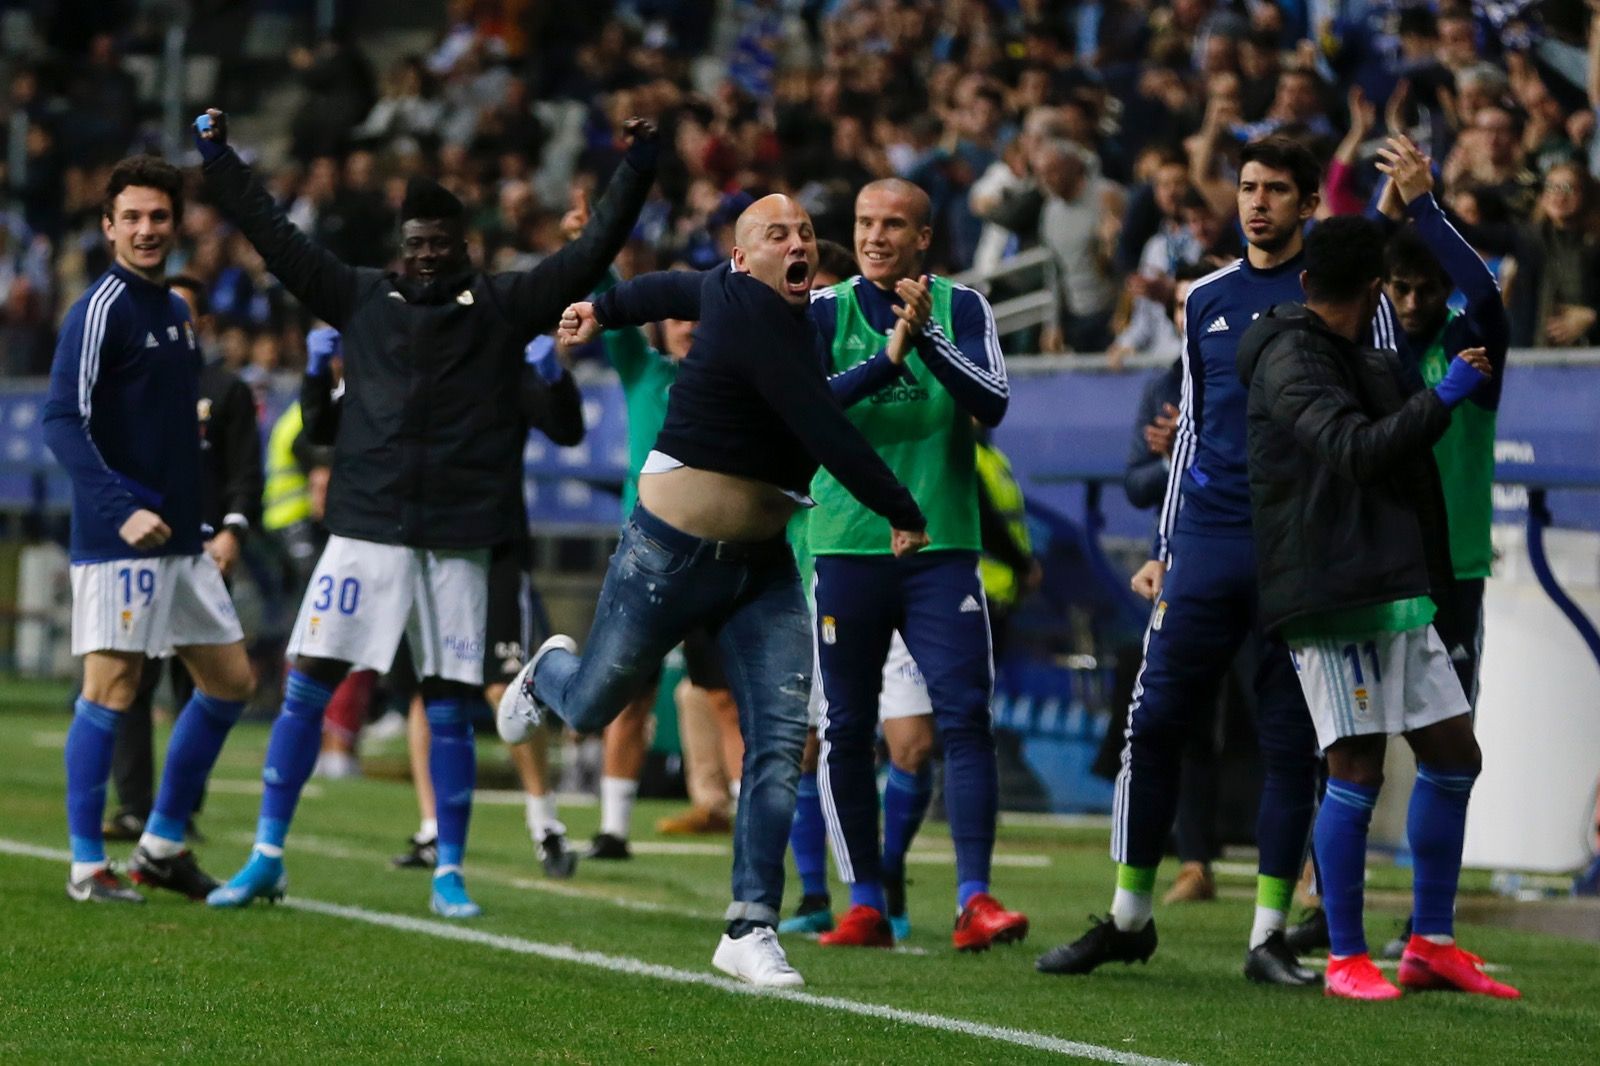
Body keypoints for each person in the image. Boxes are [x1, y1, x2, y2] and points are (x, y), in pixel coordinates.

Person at [194, 106, 658, 918]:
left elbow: (590, 253)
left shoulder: (506, 307)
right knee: (307, 687)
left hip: (458, 540)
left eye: (440, 244)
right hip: (363, 531)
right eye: (415, 244)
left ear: (463, 246)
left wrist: (639, 167)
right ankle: (267, 854)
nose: (426, 256)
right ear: (400, 246)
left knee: (448, 702)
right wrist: (218, 157)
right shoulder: (360, 297)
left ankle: (450, 871)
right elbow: (272, 235)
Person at [499, 194, 930, 987]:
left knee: (776, 744)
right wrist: (901, 509)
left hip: (759, 566)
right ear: (745, 259)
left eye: (804, 231)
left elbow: (667, 288)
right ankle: (546, 673)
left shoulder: (747, 305)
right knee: (592, 706)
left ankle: (749, 926)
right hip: (666, 553)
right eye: (779, 233)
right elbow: (824, 430)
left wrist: (604, 304)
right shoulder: (752, 316)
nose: (799, 241)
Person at [1036, 135, 1387, 985]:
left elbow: (1375, 413)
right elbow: (1191, 424)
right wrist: (1166, 546)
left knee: (1289, 739)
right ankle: (1128, 917)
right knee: (1151, 723)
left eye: (1275, 189)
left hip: (1298, 551)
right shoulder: (1207, 299)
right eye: (1247, 187)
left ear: (1311, 203)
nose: (1257, 202)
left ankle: (1265, 936)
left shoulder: (1345, 296)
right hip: (1208, 543)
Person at [1236, 214, 1518, 1002]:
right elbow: (1357, 451)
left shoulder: (1358, 351)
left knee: (1455, 753)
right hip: (1333, 587)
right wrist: (1444, 395)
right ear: (1374, 291)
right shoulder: (1290, 357)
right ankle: (1346, 958)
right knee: (1354, 766)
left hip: (1393, 584)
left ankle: (1429, 943)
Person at [806, 179, 1028, 953]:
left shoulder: (963, 308)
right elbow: (802, 406)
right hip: (846, 542)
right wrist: (887, 357)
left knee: (965, 718)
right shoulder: (825, 313)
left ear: (924, 237)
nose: (874, 236)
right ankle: (863, 901)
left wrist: (926, 338)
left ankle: (974, 898)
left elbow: (995, 403)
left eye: (892, 224)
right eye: (864, 221)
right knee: (848, 729)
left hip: (942, 548)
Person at [42, 155, 256, 903]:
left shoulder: (172, 311)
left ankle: (163, 844)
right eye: (130, 217)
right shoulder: (99, 309)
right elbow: (61, 420)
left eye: (157, 217)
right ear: (107, 228)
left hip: (182, 544)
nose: (145, 229)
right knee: (111, 690)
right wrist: (120, 506)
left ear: (176, 225)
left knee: (231, 682)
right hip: (118, 541)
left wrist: (194, 523)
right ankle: (84, 865)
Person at [105, 275, 263, 843]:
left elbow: (248, 473)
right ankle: (133, 808)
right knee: (131, 680)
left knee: (202, 683)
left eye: (181, 312)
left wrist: (231, 534)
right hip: (143, 555)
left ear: (204, 325)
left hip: (205, 557)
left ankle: (178, 809)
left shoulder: (226, 390)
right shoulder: (134, 383)